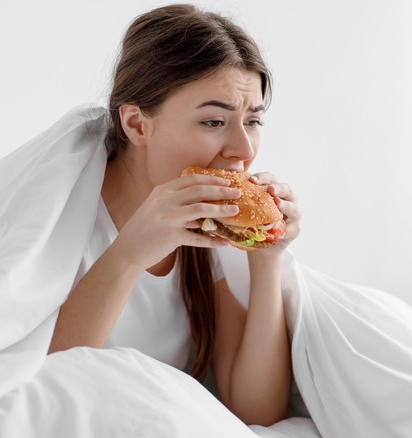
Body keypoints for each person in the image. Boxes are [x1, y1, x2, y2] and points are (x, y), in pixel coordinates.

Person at [46, 4, 301, 427]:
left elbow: (257, 410)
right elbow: (46, 381)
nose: (244, 149)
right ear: (137, 124)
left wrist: (266, 256)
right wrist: (129, 253)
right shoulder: (63, 217)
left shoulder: (208, 232)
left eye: (253, 121)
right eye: (215, 121)